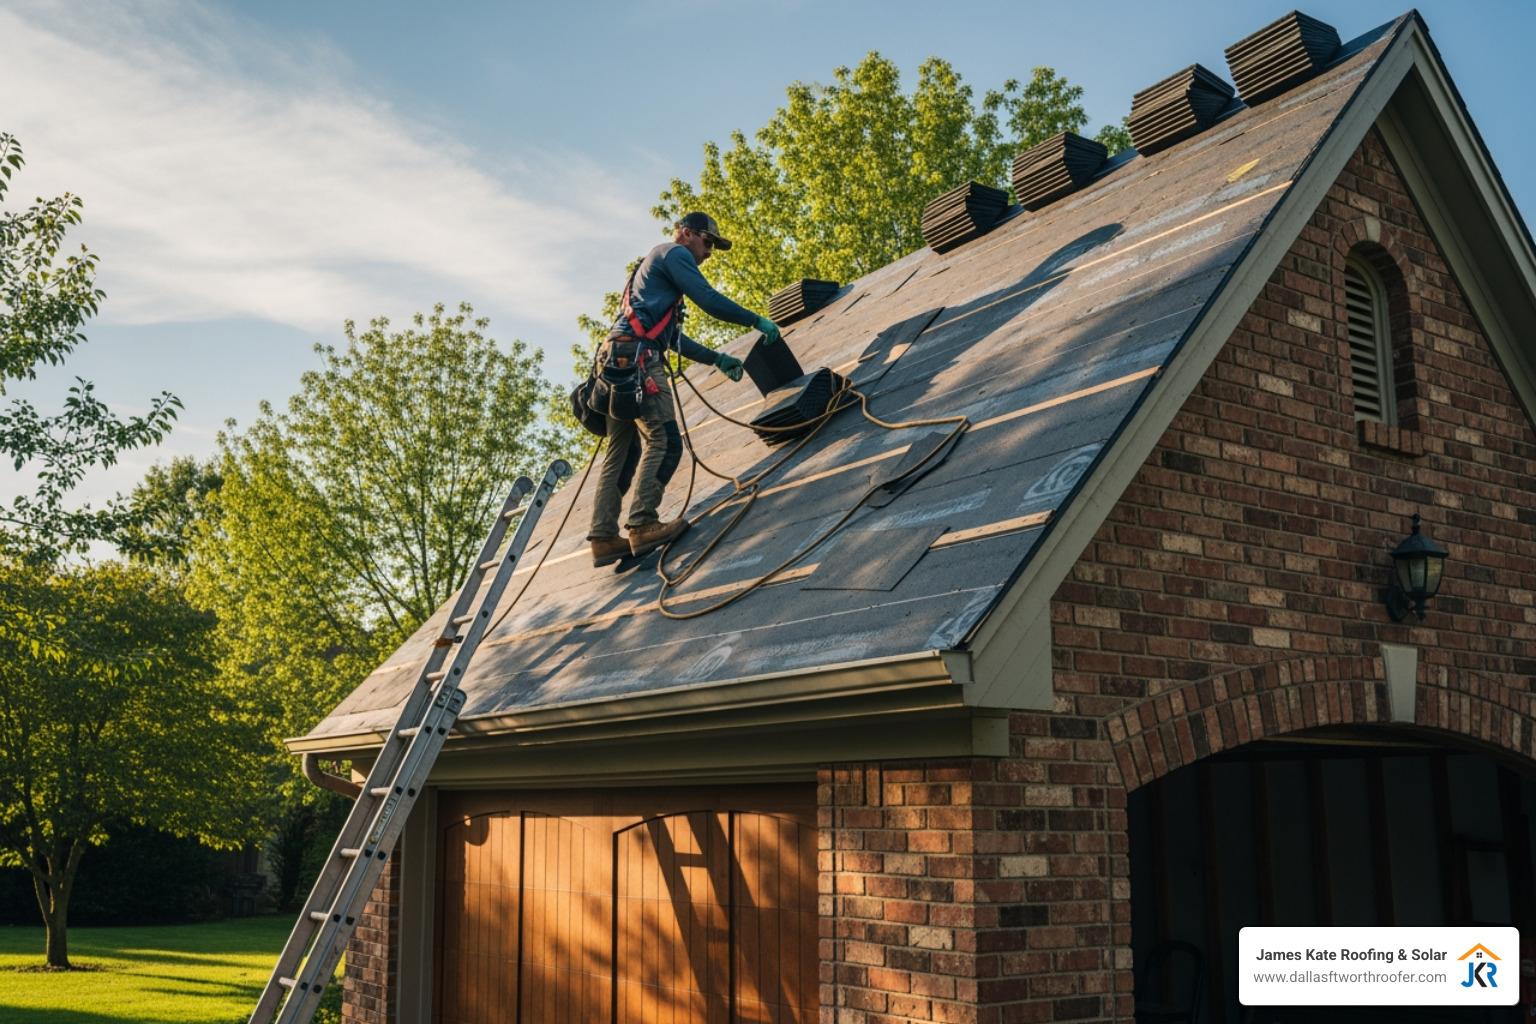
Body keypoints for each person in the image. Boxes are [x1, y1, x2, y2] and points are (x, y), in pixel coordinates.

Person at [588, 212, 782, 566]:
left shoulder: (650, 274)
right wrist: (754, 319)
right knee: (666, 441)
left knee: (622, 446)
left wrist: (716, 358)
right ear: (686, 233)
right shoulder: (673, 254)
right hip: (638, 359)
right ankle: (643, 524)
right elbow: (707, 298)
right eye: (707, 242)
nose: (709, 252)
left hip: (615, 357)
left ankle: (603, 537)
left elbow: (673, 338)